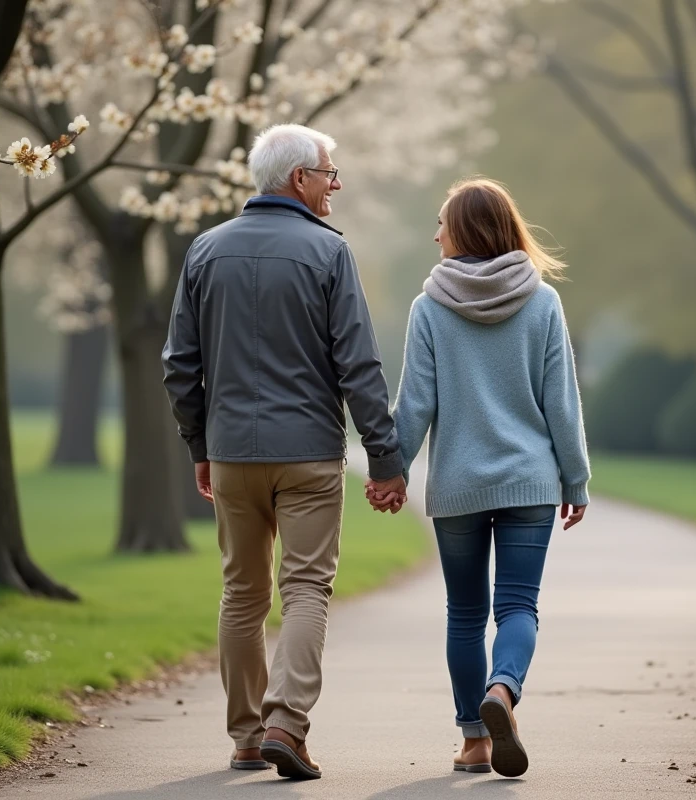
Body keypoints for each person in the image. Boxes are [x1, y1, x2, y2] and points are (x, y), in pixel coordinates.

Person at [163, 123, 407, 782]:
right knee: (305, 589)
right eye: (330, 173)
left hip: (233, 452)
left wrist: (199, 443)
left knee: (241, 593)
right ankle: (286, 725)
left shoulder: (205, 251)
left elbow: (179, 366)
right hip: (308, 455)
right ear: (299, 179)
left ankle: (246, 737)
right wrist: (384, 458)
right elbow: (358, 363)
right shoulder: (330, 252)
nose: (336, 185)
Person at [367, 177, 590, 778]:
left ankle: (475, 741)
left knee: (465, 613)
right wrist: (576, 480)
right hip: (531, 482)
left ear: (464, 230)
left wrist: (391, 472)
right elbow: (561, 404)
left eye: (442, 222)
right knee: (518, 606)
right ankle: (503, 691)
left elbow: (414, 403)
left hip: (460, 485)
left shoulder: (429, 307)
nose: (434, 232)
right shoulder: (541, 301)